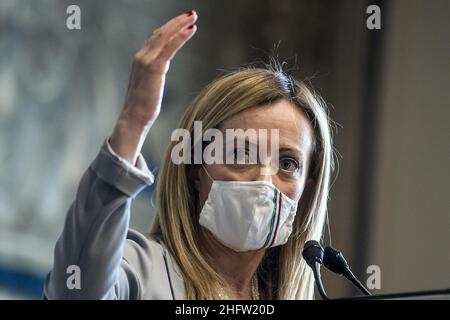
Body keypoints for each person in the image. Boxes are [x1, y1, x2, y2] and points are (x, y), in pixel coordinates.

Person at [43, 10, 334, 300]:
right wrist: (134, 122)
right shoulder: (139, 271)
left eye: (287, 163)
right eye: (242, 153)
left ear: (307, 189)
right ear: (196, 169)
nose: (264, 180)